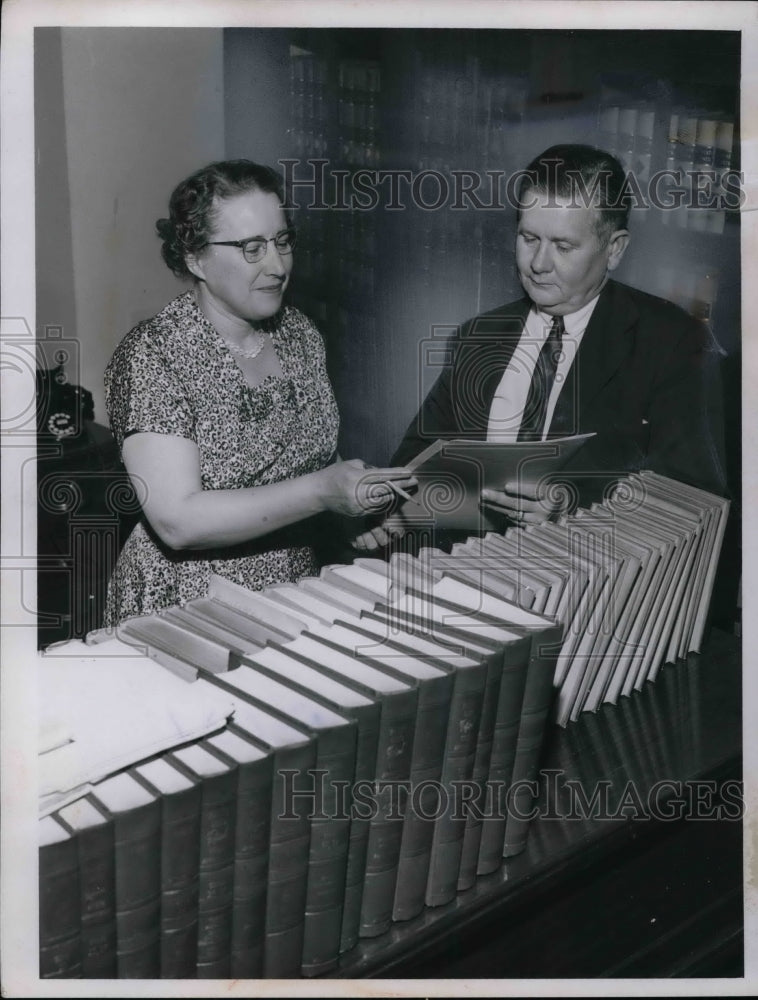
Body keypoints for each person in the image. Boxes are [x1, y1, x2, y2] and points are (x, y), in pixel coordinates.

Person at [103, 159, 414, 625]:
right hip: (186, 607)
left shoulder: (300, 335)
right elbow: (178, 522)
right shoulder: (154, 353)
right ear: (195, 258)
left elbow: (302, 467)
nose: (277, 264)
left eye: (282, 241)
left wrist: (352, 512)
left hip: (292, 593)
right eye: (251, 247)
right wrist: (322, 493)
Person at [389, 143, 727, 534]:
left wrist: (573, 506)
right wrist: (390, 509)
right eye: (528, 238)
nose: (538, 264)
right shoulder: (477, 337)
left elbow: (695, 503)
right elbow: (412, 463)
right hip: (469, 572)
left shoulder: (674, 344)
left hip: (595, 585)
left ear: (614, 249)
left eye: (563, 246)